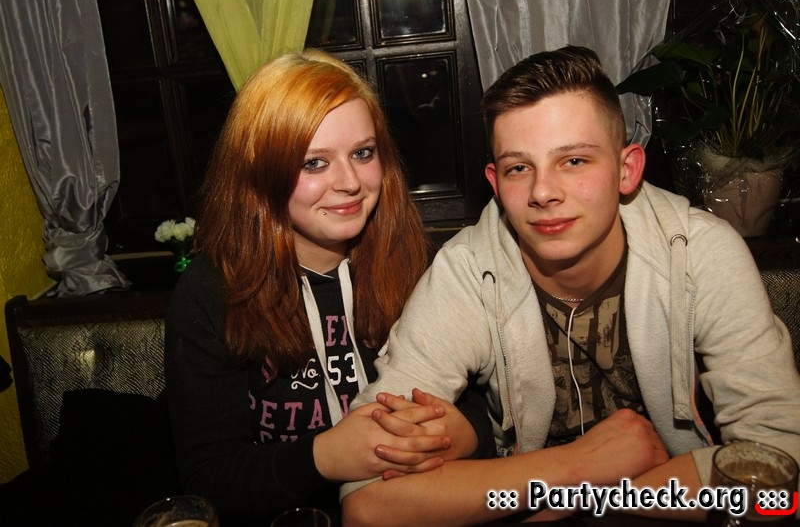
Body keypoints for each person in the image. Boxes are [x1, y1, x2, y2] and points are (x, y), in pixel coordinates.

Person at [340, 45, 800, 525]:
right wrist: (579, 468)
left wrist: (592, 498)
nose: (542, 192)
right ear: (496, 184)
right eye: (519, 168)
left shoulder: (699, 254)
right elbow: (367, 502)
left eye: (574, 161)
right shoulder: (468, 273)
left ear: (627, 170)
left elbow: (782, 474)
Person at [164, 49, 491, 524]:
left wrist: (467, 433)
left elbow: (486, 403)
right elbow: (208, 479)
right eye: (314, 163)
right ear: (261, 171)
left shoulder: (420, 264)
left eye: (362, 153)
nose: (350, 182)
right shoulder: (213, 292)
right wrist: (324, 456)